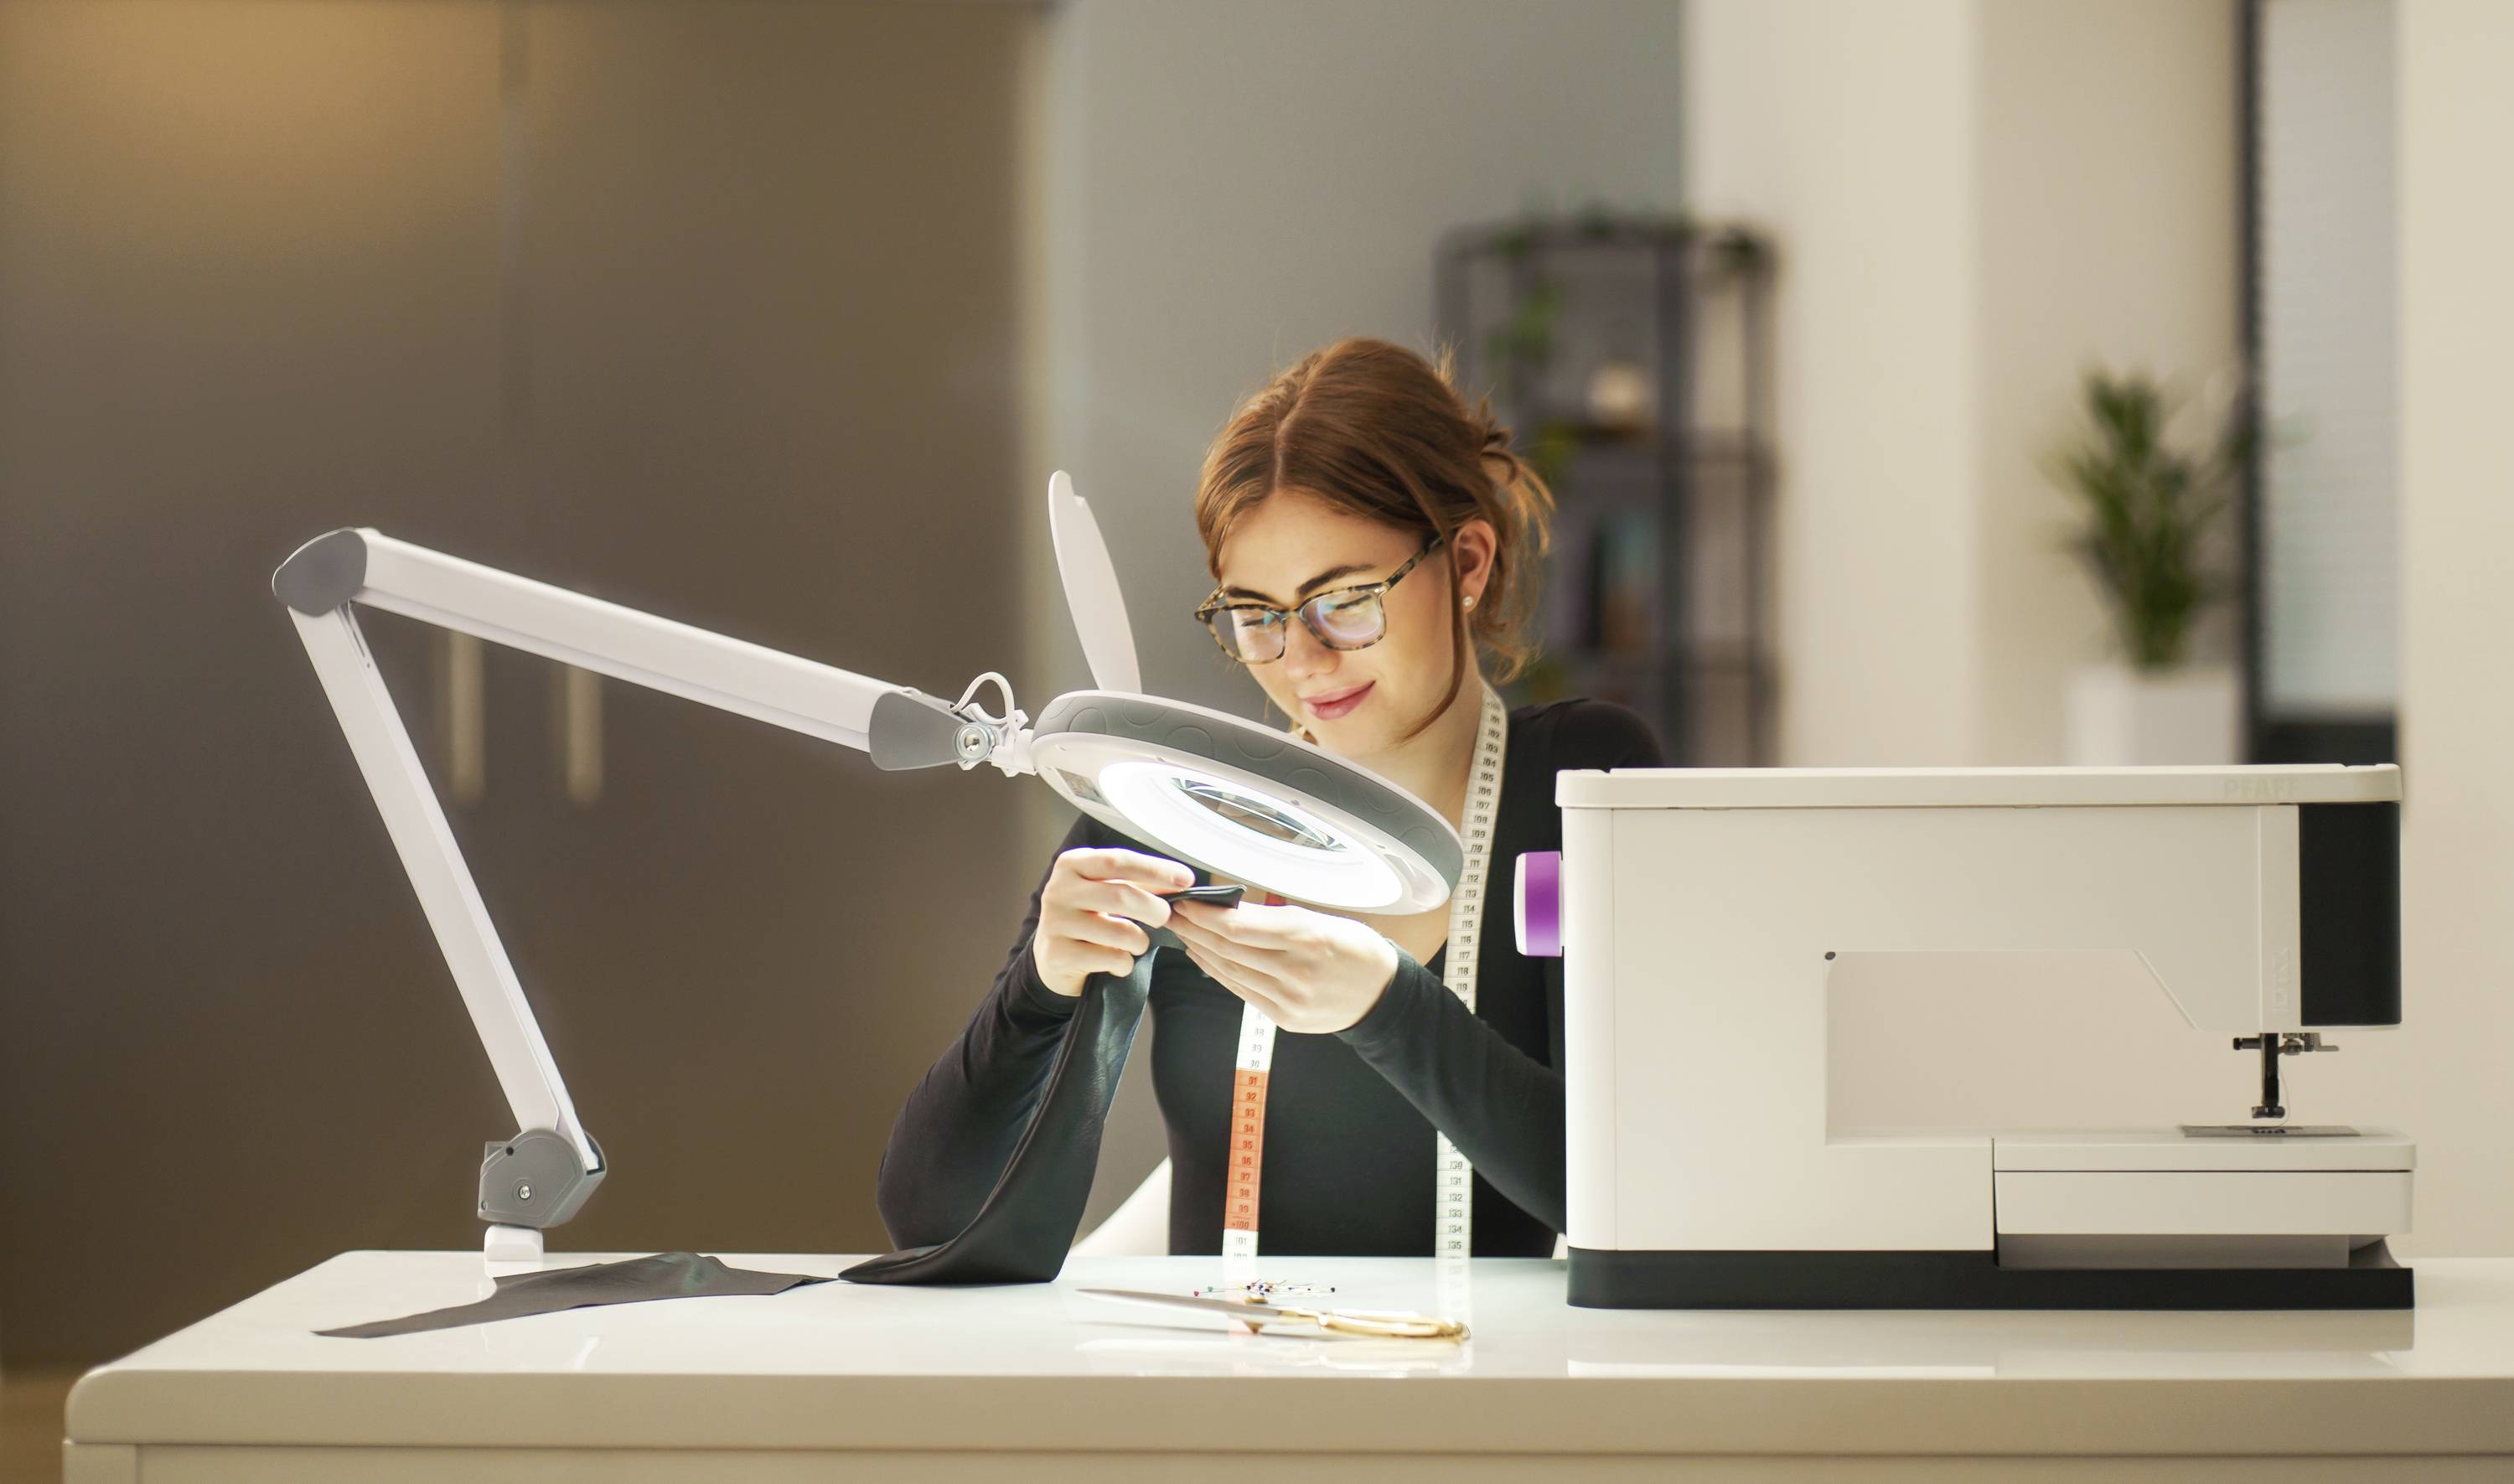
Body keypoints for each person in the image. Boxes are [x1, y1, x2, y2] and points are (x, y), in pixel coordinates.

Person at [874, 337, 1663, 1258]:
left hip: (1492, 1397)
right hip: (1215, 1394)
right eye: (1256, 616)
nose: (1302, 659)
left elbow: (1635, 1196)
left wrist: (1389, 1005)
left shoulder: (1581, 785)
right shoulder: (1174, 818)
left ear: (1471, 560)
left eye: (1347, 599)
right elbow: (930, 1216)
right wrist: (1039, 989)